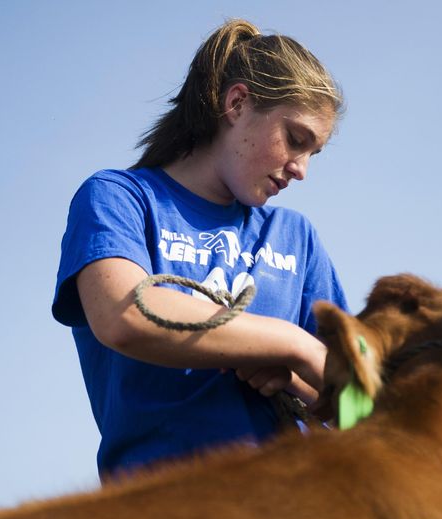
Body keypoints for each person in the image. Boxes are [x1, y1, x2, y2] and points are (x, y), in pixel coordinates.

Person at [52, 19, 349, 478]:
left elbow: (363, 405)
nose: (301, 170)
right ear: (237, 103)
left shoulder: (297, 237)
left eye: (314, 153)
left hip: (296, 516)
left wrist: (292, 378)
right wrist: (292, 344)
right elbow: (124, 314)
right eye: (295, 139)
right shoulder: (118, 197)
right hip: (162, 511)